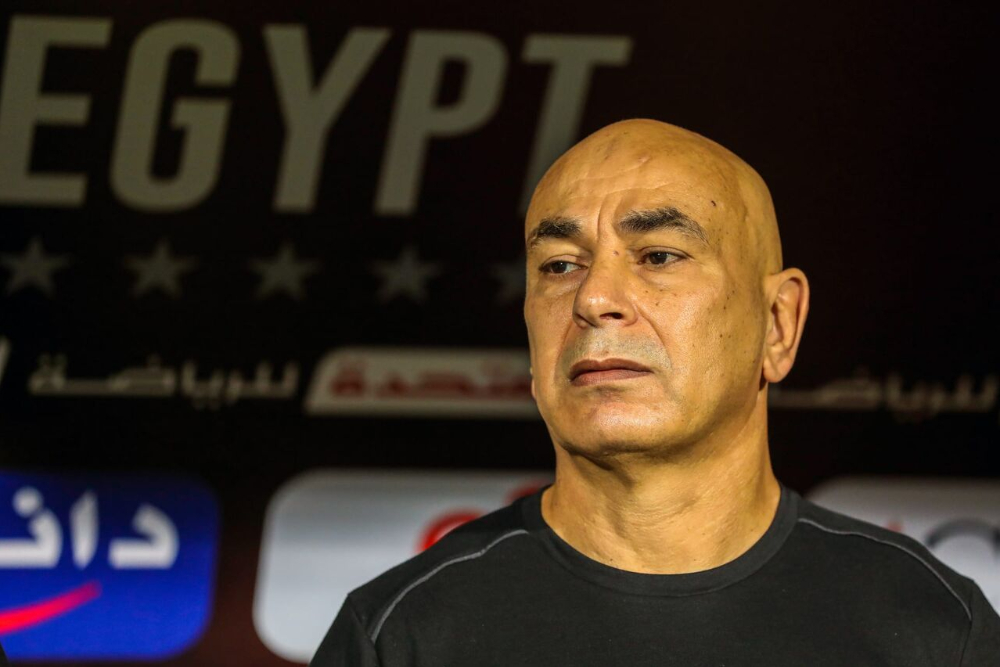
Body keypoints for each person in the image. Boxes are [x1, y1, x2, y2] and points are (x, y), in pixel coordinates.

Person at [310, 119, 1000, 665]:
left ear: (777, 324)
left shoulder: (935, 630)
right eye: (560, 265)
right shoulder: (400, 635)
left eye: (660, 256)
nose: (594, 298)